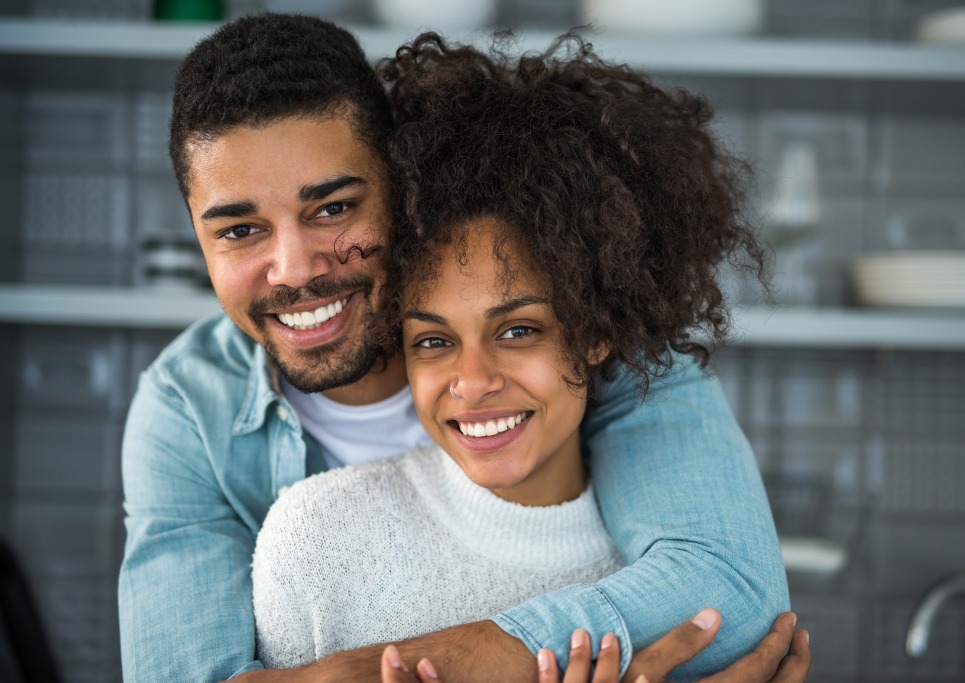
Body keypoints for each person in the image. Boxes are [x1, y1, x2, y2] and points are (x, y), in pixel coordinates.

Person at [117, 12, 790, 683]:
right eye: (239, 230)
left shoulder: (588, 322)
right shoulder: (187, 410)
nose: (293, 268)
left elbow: (729, 589)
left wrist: (366, 671)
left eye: (332, 209)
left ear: (400, 185)